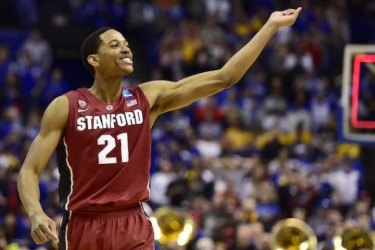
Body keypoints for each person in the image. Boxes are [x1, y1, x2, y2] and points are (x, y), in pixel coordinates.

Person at [17, 7, 302, 250]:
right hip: (84, 222)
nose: (125, 48)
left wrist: (271, 25)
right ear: (94, 60)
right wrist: (36, 213)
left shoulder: (147, 98)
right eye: (114, 45)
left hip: (134, 221)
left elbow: (224, 77)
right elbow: (29, 170)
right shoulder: (66, 106)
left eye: (126, 43)